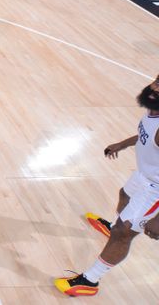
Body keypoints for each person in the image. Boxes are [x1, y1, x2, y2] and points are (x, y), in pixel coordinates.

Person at [55, 76, 159, 297]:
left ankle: (90, 280)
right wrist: (122, 144)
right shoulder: (154, 109)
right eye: (158, 81)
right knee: (124, 196)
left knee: (123, 233)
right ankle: (114, 226)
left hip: (155, 190)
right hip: (144, 175)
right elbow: (146, 135)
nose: (155, 88)